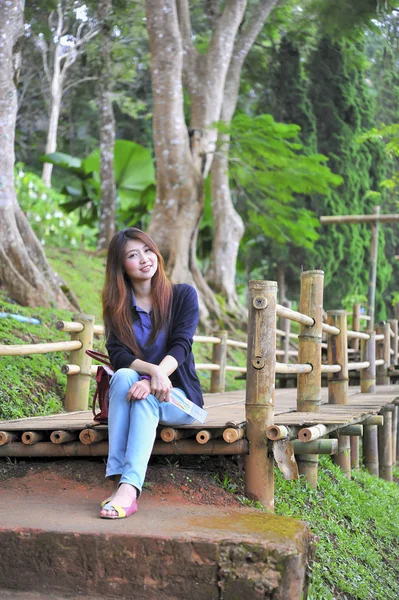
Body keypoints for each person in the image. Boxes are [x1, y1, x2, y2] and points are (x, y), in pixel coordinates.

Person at [99, 227, 203, 519]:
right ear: (122, 266)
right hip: (138, 386)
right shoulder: (117, 306)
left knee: (147, 399)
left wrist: (157, 378)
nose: (144, 259)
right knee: (121, 376)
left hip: (182, 399)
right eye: (133, 255)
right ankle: (118, 479)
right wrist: (150, 373)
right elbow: (118, 356)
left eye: (147, 250)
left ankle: (129, 489)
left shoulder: (182, 296)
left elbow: (182, 345)